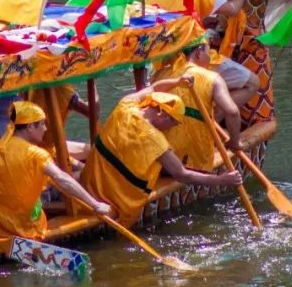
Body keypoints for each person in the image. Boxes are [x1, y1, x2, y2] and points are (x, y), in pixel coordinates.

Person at [80, 83, 242, 226]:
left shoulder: (125, 106)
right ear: (163, 114)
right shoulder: (155, 140)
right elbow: (182, 174)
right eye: (173, 123)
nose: (171, 129)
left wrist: (178, 82)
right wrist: (221, 180)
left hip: (87, 183)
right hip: (114, 201)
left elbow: (153, 87)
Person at [0, 101, 112, 239]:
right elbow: (62, 179)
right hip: (26, 228)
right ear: (31, 126)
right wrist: (95, 204)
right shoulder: (36, 154)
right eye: (42, 123)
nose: (45, 129)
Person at [153, 36, 246, 166]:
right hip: (197, 159)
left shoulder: (161, 75)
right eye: (208, 53)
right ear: (198, 53)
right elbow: (232, 112)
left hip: (161, 157)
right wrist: (234, 142)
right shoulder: (213, 78)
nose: (209, 58)